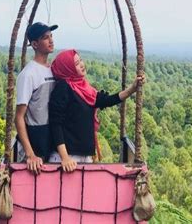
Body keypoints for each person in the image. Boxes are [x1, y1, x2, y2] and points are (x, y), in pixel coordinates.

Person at [48, 49, 144, 172]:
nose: (82, 65)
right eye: (76, 64)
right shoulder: (63, 88)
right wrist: (65, 157)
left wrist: (131, 89)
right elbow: (56, 123)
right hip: (67, 157)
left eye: (80, 60)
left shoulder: (83, 87)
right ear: (68, 68)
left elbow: (105, 100)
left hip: (83, 155)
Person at [15, 21, 58, 174]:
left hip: (51, 138)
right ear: (34, 44)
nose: (51, 40)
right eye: (45, 37)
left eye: (51, 36)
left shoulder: (52, 70)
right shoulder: (28, 74)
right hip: (34, 138)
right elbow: (19, 117)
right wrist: (30, 154)